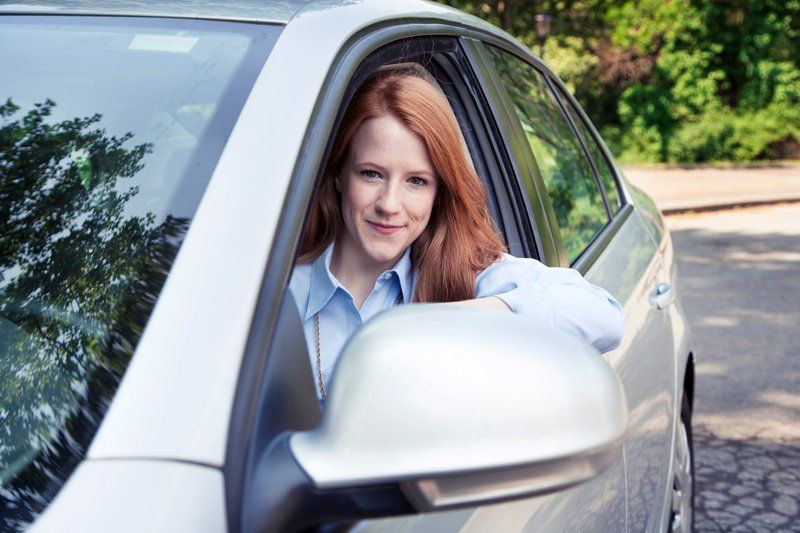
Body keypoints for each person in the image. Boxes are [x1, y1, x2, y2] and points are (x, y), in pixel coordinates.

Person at [290, 67, 624, 400]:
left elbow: (603, 313)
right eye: (371, 174)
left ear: (440, 193)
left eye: (416, 181)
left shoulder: (463, 275)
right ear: (339, 175)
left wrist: (446, 320)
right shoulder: (276, 284)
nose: (389, 204)